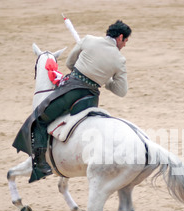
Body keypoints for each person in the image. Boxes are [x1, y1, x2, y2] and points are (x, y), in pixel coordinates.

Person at [12, 20, 132, 182]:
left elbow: (69, 63)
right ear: (120, 37)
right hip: (90, 100)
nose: (125, 45)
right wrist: (106, 80)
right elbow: (121, 91)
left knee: (40, 118)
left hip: (70, 91)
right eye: (125, 41)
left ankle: (41, 163)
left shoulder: (89, 40)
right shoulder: (120, 60)